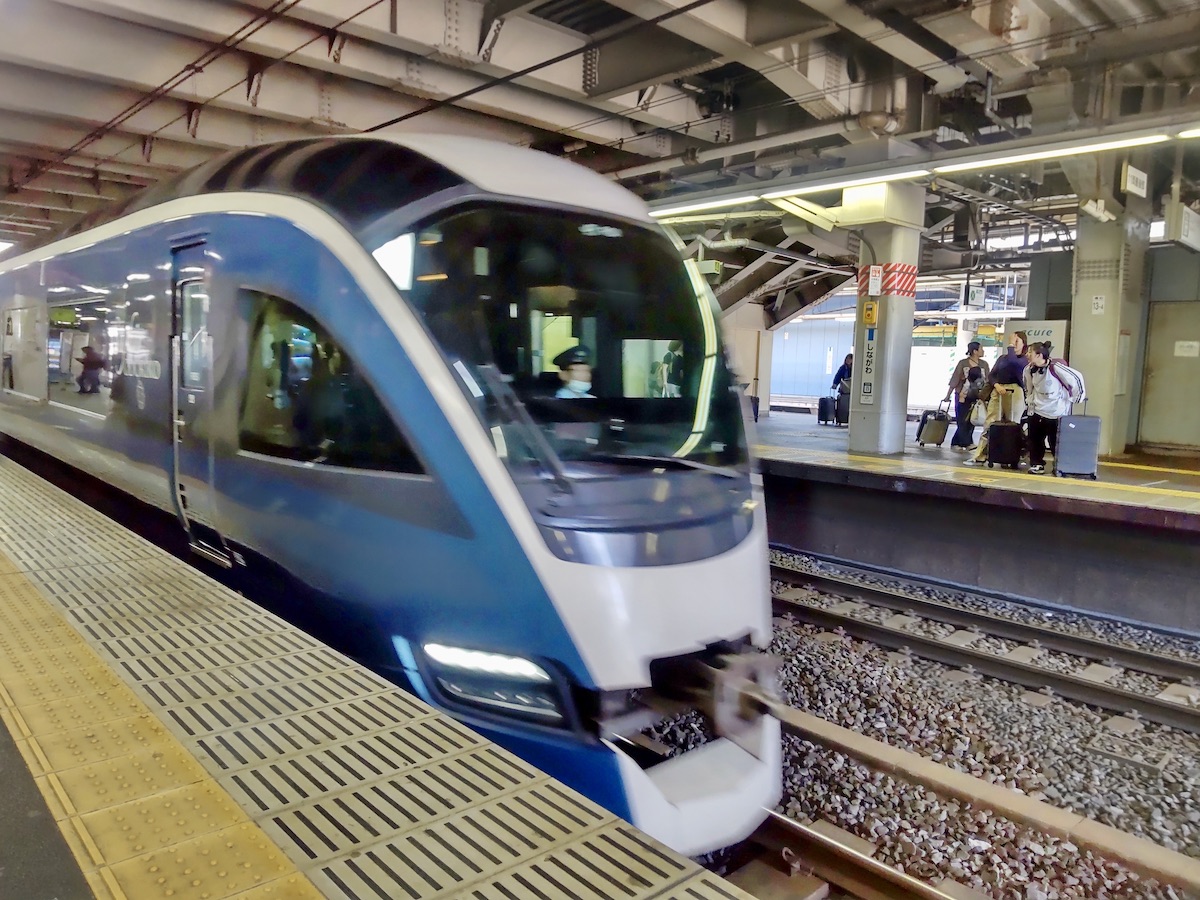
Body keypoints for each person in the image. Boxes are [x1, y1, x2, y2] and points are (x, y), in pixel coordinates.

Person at [964, 330, 1028, 467]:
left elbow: (1014, 364)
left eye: (1017, 341)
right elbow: (992, 375)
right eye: (1013, 341)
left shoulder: (1024, 360)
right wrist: (997, 385)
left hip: (1015, 391)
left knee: (1013, 424)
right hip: (998, 390)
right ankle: (980, 455)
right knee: (990, 423)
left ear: (1024, 344)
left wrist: (1011, 345)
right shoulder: (1002, 358)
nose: (1014, 345)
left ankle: (1011, 456)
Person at [1023, 342, 1071, 475]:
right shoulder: (1028, 369)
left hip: (1056, 411)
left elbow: (1075, 381)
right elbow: (1028, 388)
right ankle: (1037, 464)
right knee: (1035, 440)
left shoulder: (1056, 368)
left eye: (1030, 352)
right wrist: (1030, 402)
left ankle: (1060, 465)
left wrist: (1075, 398)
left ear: (1039, 355)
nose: (1027, 355)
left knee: (1055, 441)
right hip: (1037, 409)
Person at [943, 341, 990, 451]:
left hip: (976, 396)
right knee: (962, 419)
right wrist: (948, 395)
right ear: (975, 351)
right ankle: (967, 443)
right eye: (981, 349)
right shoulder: (963, 363)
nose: (983, 351)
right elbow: (955, 379)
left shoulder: (984, 364)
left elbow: (988, 380)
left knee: (971, 420)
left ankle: (956, 442)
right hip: (962, 396)